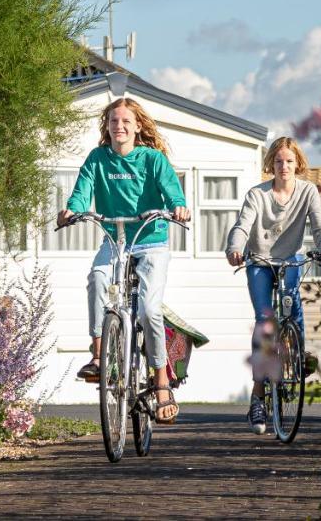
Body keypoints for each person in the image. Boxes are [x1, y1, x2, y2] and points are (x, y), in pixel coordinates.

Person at [58, 97, 189, 424]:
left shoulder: (152, 159)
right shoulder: (97, 159)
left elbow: (172, 191)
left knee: (148, 310)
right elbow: (81, 191)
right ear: (107, 127)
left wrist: (178, 206)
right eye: (113, 121)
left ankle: (161, 381)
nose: (119, 126)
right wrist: (72, 210)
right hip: (115, 240)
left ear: (138, 126)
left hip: (151, 241)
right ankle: (99, 355)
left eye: (125, 121)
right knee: (98, 278)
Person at [225, 136, 321, 434]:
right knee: (264, 320)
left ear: (297, 164)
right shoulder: (257, 195)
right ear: (270, 165)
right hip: (259, 260)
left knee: (291, 301)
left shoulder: (307, 191)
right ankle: (258, 397)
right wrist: (234, 248)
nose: (284, 166)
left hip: (289, 257)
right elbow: (242, 225)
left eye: (289, 161)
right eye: (278, 161)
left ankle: (297, 352)